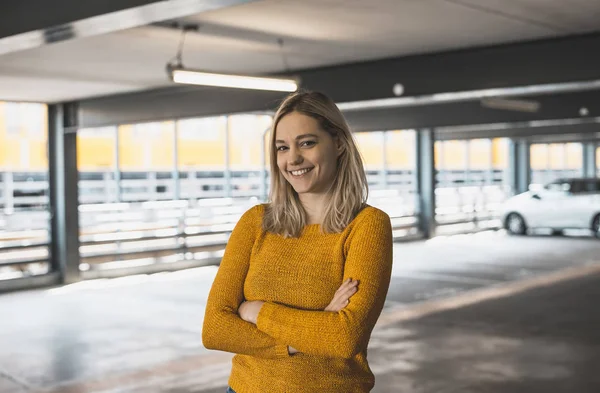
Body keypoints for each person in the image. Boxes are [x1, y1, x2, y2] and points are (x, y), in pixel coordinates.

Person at [202, 90, 393, 393]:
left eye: (307, 143)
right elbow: (215, 329)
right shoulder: (256, 222)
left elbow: (343, 338)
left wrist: (256, 311)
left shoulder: (367, 226)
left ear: (339, 144)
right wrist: (309, 332)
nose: (293, 159)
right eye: (282, 147)